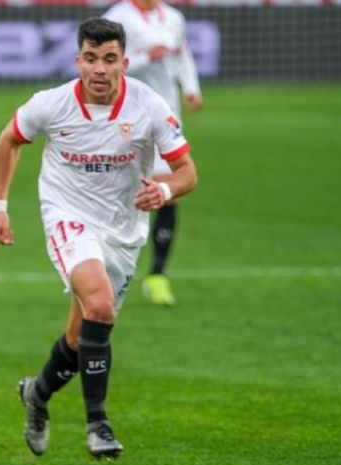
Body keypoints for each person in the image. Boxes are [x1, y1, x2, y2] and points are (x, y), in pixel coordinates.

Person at [0, 18, 197, 459]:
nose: (99, 69)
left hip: (124, 228)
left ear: (124, 61)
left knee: (82, 337)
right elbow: (10, 140)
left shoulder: (149, 105)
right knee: (99, 304)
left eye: (109, 59)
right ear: (77, 59)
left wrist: (163, 189)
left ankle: (37, 394)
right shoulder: (52, 103)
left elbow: (187, 172)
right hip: (68, 216)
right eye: (90, 58)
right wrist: (0, 208)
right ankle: (97, 423)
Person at [104, 0, 204, 306]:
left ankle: (157, 276)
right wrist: (147, 56)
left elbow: (182, 53)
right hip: (124, 117)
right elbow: (106, 65)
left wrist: (191, 87)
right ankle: (102, 265)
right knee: (117, 192)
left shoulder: (173, 17)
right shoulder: (117, 18)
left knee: (167, 191)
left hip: (165, 115)